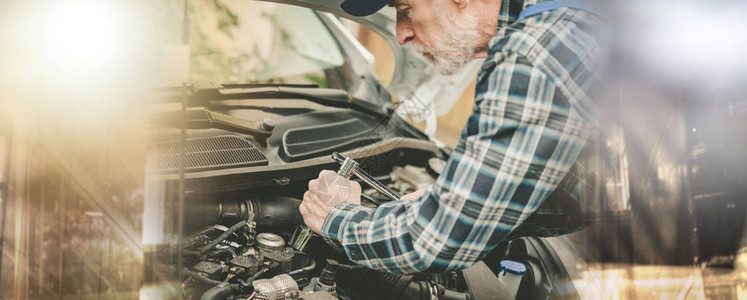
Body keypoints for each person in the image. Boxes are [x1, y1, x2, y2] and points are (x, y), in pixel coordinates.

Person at [300, 0, 603, 274]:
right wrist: (464, 200)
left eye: (405, 11)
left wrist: (336, 218)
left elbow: (435, 241)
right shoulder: (574, 21)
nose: (401, 34)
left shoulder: (532, 55)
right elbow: (593, 193)